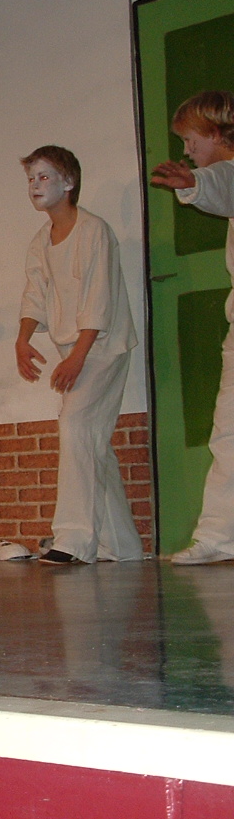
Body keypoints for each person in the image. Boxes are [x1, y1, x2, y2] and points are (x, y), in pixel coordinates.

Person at [15, 145, 141, 565]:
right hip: (75, 348)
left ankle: (73, 540)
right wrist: (22, 339)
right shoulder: (41, 240)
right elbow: (35, 293)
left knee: (74, 425)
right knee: (91, 443)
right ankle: (123, 546)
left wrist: (78, 357)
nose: (35, 185)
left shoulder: (94, 231)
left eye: (44, 176)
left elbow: (98, 299)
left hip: (103, 347)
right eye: (31, 179)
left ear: (68, 182)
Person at [151, 91, 234, 564]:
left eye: (190, 140)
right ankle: (219, 538)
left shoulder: (225, 174)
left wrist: (194, 183)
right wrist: (197, 183)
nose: (185, 150)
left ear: (216, 134)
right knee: (228, 433)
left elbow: (224, 182)